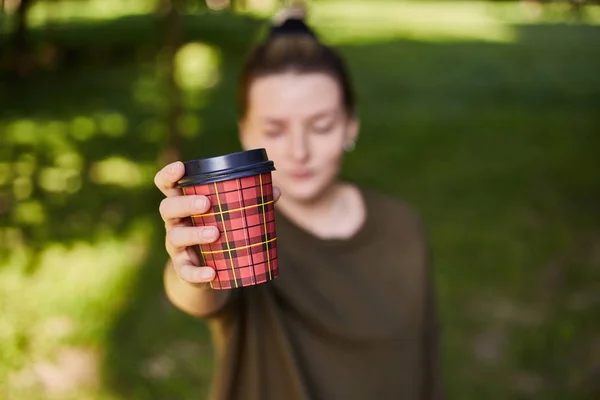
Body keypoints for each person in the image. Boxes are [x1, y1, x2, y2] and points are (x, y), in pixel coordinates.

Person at [154, 8, 443, 400]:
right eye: (275, 129)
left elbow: (422, 360)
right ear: (245, 132)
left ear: (350, 124)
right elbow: (202, 295)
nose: (299, 151)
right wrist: (190, 266)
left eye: (321, 126)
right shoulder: (242, 231)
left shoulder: (401, 224)